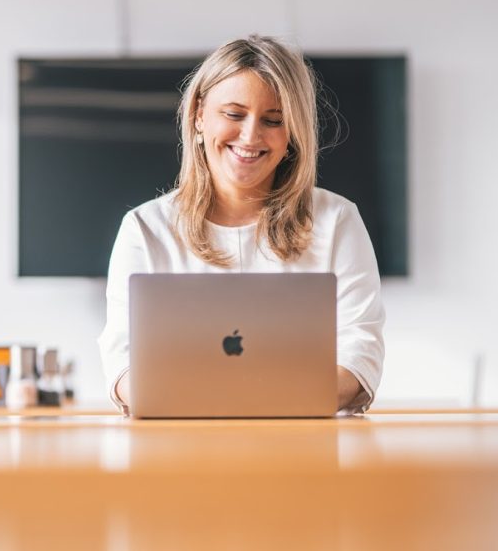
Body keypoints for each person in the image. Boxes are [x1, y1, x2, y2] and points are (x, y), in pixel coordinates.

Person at [97, 35, 385, 415]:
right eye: (233, 114)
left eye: (273, 120)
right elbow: (122, 363)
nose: (250, 136)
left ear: (293, 133)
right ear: (199, 115)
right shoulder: (145, 229)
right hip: (179, 456)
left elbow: (360, 352)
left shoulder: (337, 221)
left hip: (305, 455)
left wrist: (249, 402)